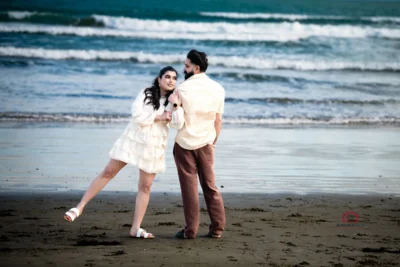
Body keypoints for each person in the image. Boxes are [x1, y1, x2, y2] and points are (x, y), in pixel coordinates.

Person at [64, 66, 183, 239]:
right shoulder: (146, 93)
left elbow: (178, 124)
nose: (171, 80)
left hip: (154, 145)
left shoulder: (175, 100)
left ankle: (135, 228)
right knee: (108, 172)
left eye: (174, 77)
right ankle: (79, 207)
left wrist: (174, 104)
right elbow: (137, 115)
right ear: (159, 79)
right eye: (167, 76)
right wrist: (159, 117)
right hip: (133, 140)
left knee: (145, 187)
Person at [167, 50, 226, 239]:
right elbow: (218, 121)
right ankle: (217, 229)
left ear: (196, 67)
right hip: (207, 144)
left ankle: (190, 231)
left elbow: (176, 123)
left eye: (186, 66)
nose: (184, 69)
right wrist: (213, 143)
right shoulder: (218, 88)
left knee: (189, 189)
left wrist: (174, 105)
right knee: (210, 186)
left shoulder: (181, 89)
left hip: (185, 145)